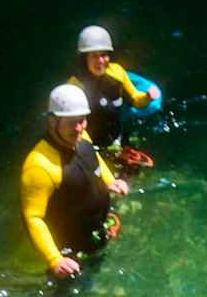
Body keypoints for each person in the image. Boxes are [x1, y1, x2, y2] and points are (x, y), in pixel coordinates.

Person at [20, 84, 130, 279]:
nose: (79, 128)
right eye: (72, 122)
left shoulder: (81, 136)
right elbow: (33, 217)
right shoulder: (39, 166)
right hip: (70, 253)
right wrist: (55, 260)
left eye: (82, 120)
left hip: (97, 231)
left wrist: (110, 180)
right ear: (53, 121)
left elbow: (94, 160)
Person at [69, 25, 157, 152]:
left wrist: (147, 97)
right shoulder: (75, 85)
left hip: (117, 140)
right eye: (94, 56)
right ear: (84, 58)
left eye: (104, 55)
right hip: (90, 146)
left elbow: (135, 99)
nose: (100, 61)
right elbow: (71, 124)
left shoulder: (117, 73)